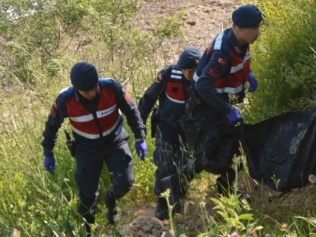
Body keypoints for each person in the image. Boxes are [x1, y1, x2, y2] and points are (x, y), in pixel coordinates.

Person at [41, 62, 147, 228]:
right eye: (86, 90)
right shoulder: (65, 100)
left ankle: (110, 201)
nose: (91, 92)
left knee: (124, 184)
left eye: (94, 87)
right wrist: (48, 152)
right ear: (76, 88)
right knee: (87, 194)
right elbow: (52, 126)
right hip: (86, 148)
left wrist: (140, 137)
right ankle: (87, 228)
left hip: (115, 141)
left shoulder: (112, 88)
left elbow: (131, 110)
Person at [186, 4, 261, 196]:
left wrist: (248, 75)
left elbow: (236, 64)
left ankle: (228, 192)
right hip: (205, 107)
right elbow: (203, 85)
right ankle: (174, 184)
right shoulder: (223, 52)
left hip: (218, 104)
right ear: (240, 28)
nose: (258, 32)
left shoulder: (240, 42)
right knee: (209, 156)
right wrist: (227, 109)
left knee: (233, 150)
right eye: (254, 28)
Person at [138, 46, 201, 220]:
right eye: (185, 71)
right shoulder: (168, 74)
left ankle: (177, 199)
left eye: (192, 71)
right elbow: (148, 99)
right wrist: (139, 127)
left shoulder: (206, 77)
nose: (188, 75)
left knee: (183, 166)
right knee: (164, 163)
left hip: (189, 131)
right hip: (167, 126)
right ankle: (162, 203)